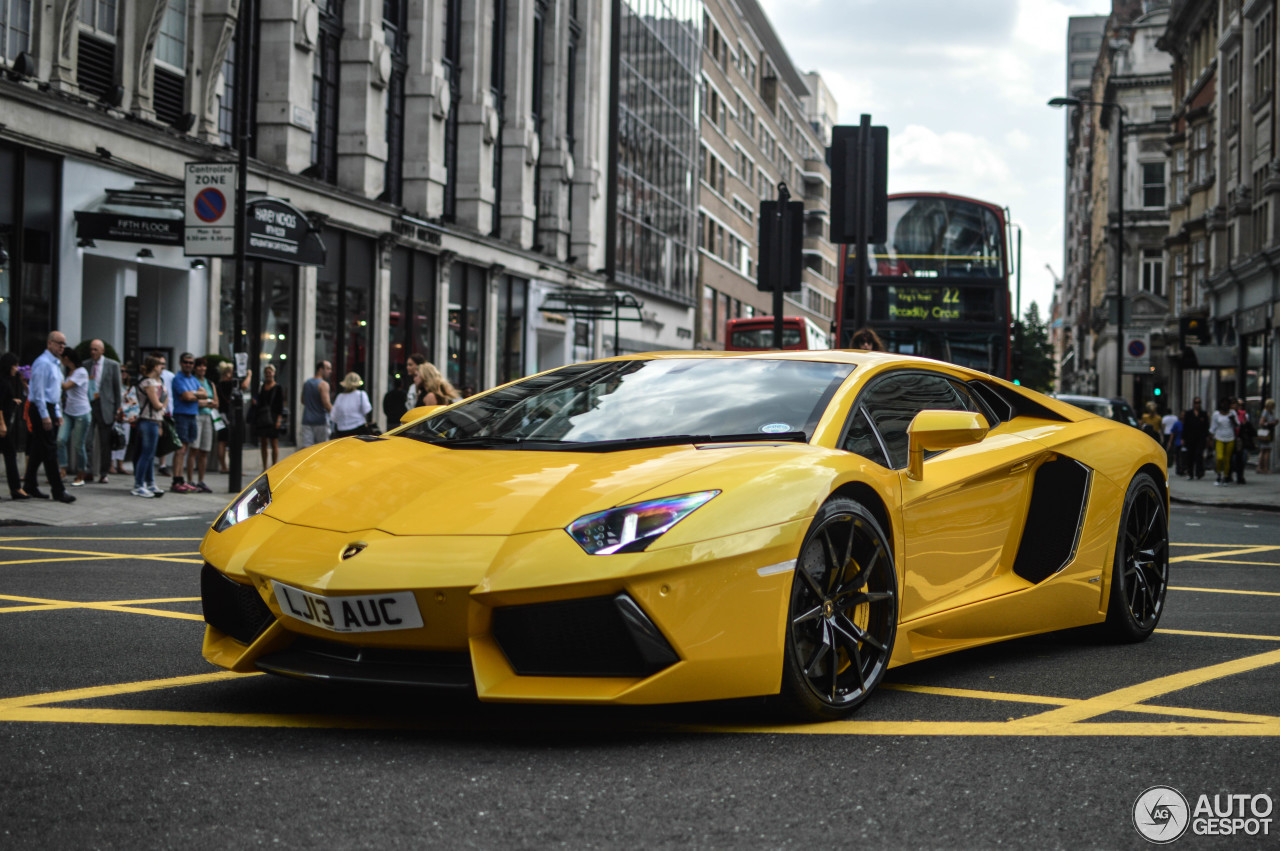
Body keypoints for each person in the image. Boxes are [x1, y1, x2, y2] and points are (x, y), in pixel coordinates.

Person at [23, 331, 74, 503]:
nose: (62, 347)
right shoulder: (42, 363)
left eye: (63, 344)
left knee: (39, 448)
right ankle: (58, 490)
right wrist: (46, 416)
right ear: (49, 343)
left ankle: (29, 484)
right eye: (59, 343)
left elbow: (55, 392)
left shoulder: (55, 364)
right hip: (41, 408)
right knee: (50, 450)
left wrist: (58, 413)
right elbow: (38, 393)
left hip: (51, 408)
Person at [85, 339, 122, 484]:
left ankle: (104, 472)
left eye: (96, 349)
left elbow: (117, 389)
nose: (93, 352)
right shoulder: (85, 365)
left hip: (106, 406)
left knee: (105, 442)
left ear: (102, 351)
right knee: (87, 439)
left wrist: (118, 409)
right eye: (91, 349)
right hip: (89, 405)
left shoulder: (112, 365)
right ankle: (88, 470)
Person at [168, 352, 207, 492]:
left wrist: (193, 395)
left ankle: (181, 479)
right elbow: (186, 396)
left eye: (191, 363)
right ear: (180, 362)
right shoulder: (178, 378)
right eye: (186, 362)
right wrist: (195, 395)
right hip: (181, 415)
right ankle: (176, 480)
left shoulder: (193, 379)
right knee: (180, 449)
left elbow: (205, 394)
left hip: (192, 415)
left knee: (186, 448)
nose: (188, 365)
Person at [56, 347, 92, 486]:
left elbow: (66, 386)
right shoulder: (67, 371)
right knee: (60, 440)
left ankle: (80, 474)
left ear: (66, 358)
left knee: (78, 444)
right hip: (68, 412)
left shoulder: (81, 372)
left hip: (81, 413)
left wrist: (54, 374)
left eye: (61, 358)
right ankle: (62, 469)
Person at [133, 355, 167, 498]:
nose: (163, 367)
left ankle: (150, 483)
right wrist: (162, 406)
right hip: (147, 420)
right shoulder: (148, 383)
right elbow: (157, 404)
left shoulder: (156, 382)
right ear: (154, 366)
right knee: (146, 454)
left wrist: (162, 407)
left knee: (150, 455)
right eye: (160, 365)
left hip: (153, 420)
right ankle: (139, 485)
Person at [185, 357, 219, 493]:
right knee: (194, 449)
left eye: (204, 366)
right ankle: (190, 480)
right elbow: (193, 401)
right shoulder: (192, 381)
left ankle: (201, 480)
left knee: (205, 450)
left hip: (208, 417)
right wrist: (206, 401)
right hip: (196, 416)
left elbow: (216, 403)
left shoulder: (210, 383)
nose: (202, 369)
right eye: (199, 366)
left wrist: (205, 401)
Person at [0, 351, 29, 499]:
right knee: (10, 455)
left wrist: (12, 401)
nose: (17, 369)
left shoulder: (6, 381)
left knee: (10, 454)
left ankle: (16, 488)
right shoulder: (3, 382)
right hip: (3, 426)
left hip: (4, 425)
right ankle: (16, 488)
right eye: (15, 365)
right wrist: (2, 424)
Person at [250, 363, 285, 470]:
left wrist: (279, 419)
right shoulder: (262, 387)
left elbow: (280, 405)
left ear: (274, 373)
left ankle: (274, 466)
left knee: (274, 442)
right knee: (263, 442)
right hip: (263, 418)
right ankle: (265, 466)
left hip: (273, 417)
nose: (268, 374)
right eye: (266, 373)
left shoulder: (278, 387)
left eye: (270, 372)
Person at [299, 360, 333, 448]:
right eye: (328, 368)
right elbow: (326, 404)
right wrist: (336, 415)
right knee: (321, 449)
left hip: (307, 421)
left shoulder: (307, 383)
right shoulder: (323, 384)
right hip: (320, 421)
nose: (330, 371)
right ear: (320, 369)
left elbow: (303, 400)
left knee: (307, 449)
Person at [331, 372, 374, 437]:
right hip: (359, 429)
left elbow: (334, 416)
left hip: (342, 431)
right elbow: (367, 410)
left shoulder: (340, 396)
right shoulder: (361, 394)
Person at [116, 362, 139, 476]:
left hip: (126, 418)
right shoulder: (115, 386)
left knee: (124, 441)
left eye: (126, 372)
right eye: (121, 371)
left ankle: (120, 464)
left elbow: (134, 403)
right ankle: (111, 464)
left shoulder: (130, 388)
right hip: (115, 416)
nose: (124, 374)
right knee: (113, 440)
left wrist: (133, 416)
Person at [1210, 397, 1237, 486]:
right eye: (1223, 403)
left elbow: (1237, 425)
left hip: (1230, 438)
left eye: (1227, 403)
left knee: (1227, 459)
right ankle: (1219, 474)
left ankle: (1225, 477)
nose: (1225, 405)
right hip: (1219, 438)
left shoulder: (1232, 413)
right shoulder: (1216, 414)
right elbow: (1212, 428)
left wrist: (1232, 419)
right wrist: (1210, 439)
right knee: (1220, 458)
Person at [1181, 397, 1209, 481]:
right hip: (1190, 438)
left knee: (1199, 455)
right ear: (1193, 404)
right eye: (1196, 403)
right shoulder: (1189, 413)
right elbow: (1185, 426)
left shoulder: (1203, 414)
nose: (1197, 404)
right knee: (1190, 456)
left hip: (1200, 438)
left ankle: (1199, 472)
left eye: (1199, 403)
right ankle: (1190, 473)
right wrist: (1183, 438)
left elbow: (1206, 426)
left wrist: (1207, 438)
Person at [1231, 398, 1252, 485]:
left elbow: (1246, 426)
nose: (1239, 406)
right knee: (1231, 458)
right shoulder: (1228, 414)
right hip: (1230, 437)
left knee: (1241, 458)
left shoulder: (1243, 414)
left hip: (1240, 438)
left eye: (1240, 405)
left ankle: (1240, 476)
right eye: (1237, 404)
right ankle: (1229, 475)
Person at [1256, 398, 1276, 474]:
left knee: (1265, 450)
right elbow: (1261, 423)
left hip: (1269, 433)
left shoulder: (1270, 412)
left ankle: (1260, 467)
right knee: (1265, 450)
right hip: (1265, 433)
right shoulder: (1265, 412)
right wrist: (1271, 423)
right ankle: (1264, 468)